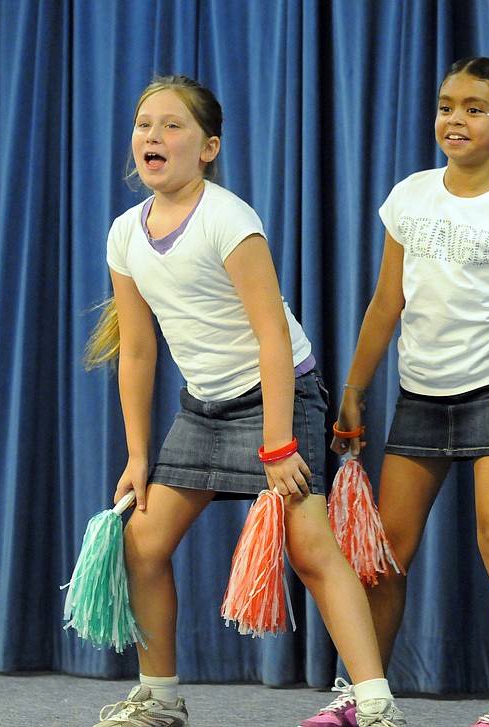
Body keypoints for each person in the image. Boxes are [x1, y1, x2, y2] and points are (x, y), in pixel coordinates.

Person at [84, 75, 405, 727]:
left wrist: (280, 443)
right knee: (141, 542)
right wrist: (138, 453)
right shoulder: (125, 234)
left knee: (310, 543)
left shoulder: (228, 219)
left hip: (278, 396)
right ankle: (160, 697)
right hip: (202, 410)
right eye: (145, 124)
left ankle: (375, 704)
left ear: (208, 147)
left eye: (172, 126)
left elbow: (273, 341)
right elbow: (139, 351)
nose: (153, 135)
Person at [321, 57, 489, 727]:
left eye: (475, 108)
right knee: (386, 554)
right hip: (420, 396)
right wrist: (354, 390)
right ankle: (366, 696)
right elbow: (386, 301)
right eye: (446, 105)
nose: (455, 119)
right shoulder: (410, 195)